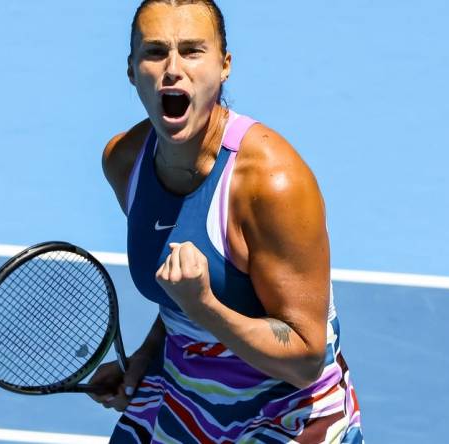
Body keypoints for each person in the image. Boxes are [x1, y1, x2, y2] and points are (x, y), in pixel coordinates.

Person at [92, 1, 363, 442]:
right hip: (186, 400)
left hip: (290, 415)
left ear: (224, 66)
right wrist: (146, 354)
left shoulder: (272, 183)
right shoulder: (125, 162)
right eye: (156, 52)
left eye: (193, 51)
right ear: (131, 69)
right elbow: (188, 290)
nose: (173, 69)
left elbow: (304, 358)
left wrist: (205, 308)